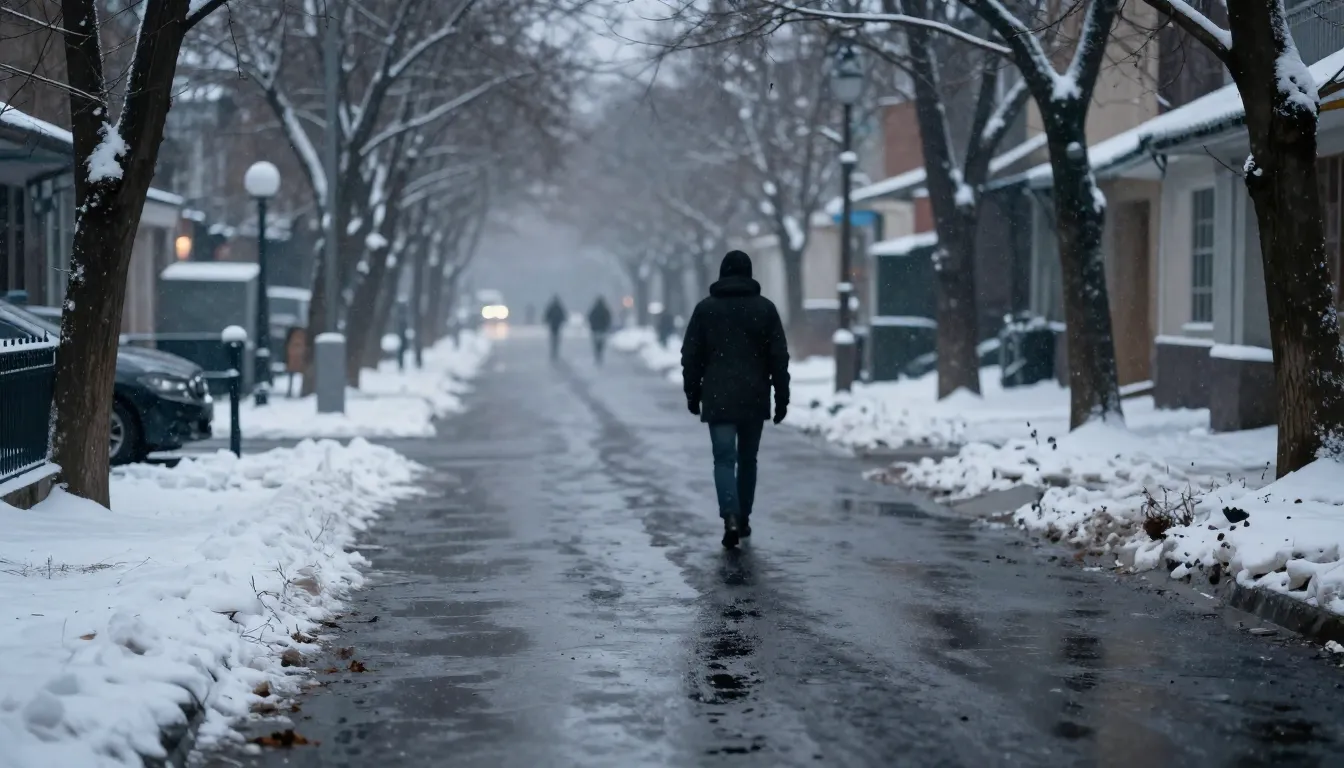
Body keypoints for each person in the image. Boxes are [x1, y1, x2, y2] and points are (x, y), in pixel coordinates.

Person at [681, 250, 789, 549]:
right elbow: (779, 358)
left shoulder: (706, 310)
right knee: (748, 459)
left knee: (724, 458)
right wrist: (782, 397)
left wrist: (693, 392)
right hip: (754, 397)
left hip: (717, 397)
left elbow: (690, 356)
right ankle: (744, 517)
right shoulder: (765, 310)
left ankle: (729, 513)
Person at [588, 297, 613, 365]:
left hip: (595, 330)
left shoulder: (594, 310)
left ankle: (597, 355)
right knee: (601, 343)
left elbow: (590, 318)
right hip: (603, 330)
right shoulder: (605, 310)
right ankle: (600, 354)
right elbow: (608, 319)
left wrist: (592, 326)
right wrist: (606, 326)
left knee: (596, 344)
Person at [544, 296, 567, 361]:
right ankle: (555, 350)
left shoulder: (551, 307)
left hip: (552, 325)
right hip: (557, 325)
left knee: (553, 338)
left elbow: (547, 315)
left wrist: (546, 320)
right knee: (556, 338)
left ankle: (553, 351)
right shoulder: (559, 308)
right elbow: (563, 316)